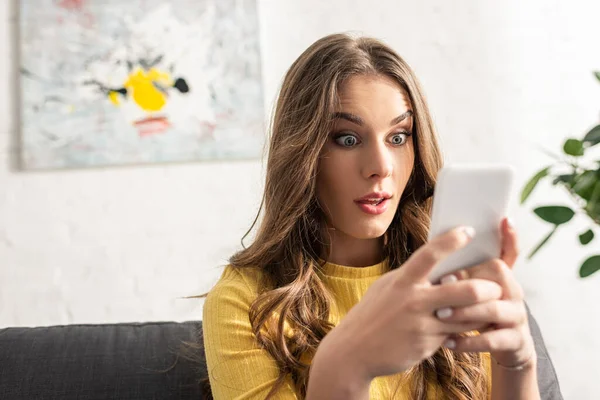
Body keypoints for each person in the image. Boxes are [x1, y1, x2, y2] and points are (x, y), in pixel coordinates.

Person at [200, 33, 561, 399]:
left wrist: (518, 363)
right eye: (347, 139)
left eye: (399, 137)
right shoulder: (244, 302)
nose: (380, 167)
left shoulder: (456, 279)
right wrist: (345, 364)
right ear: (301, 154)